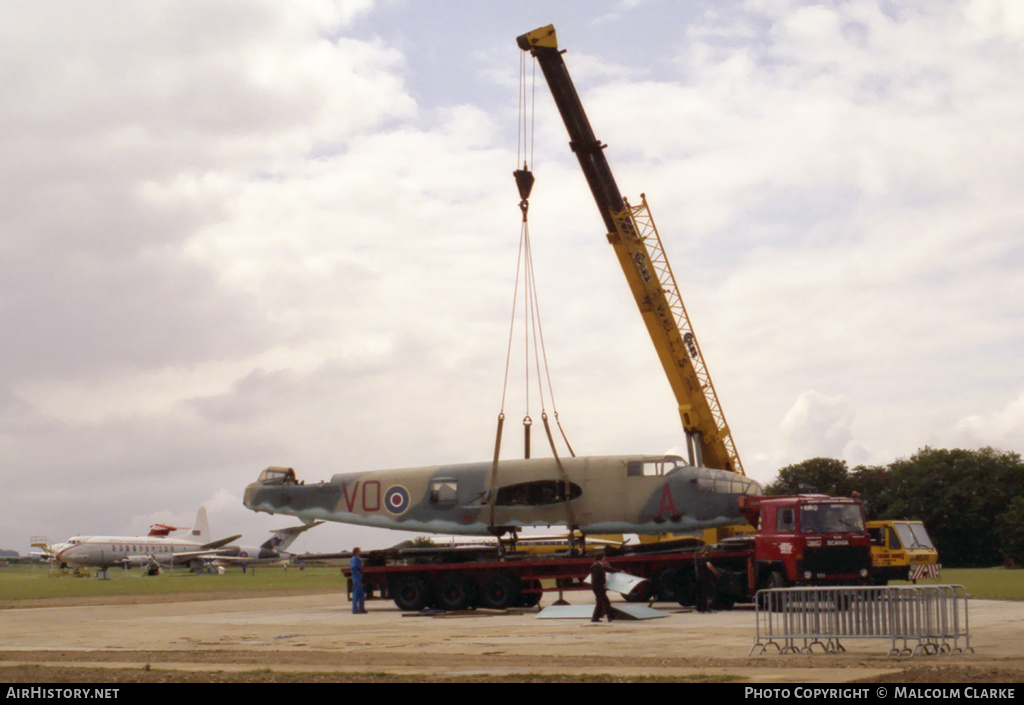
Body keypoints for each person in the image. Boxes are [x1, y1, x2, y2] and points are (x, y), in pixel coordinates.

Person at [590, 549, 616, 623]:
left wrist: (618, 570)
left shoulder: (599, 565)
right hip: (598, 587)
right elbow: (596, 578)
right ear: (602, 558)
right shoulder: (596, 566)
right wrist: (602, 586)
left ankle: (595, 618)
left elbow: (608, 569)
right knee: (605, 602)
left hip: (598, 587)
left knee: (600, 602)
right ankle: (610, 616)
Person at [350, 547, 366, 614]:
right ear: (356, 552)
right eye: (359, 551)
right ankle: (355, 609)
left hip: (359, 578)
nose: (360, 552)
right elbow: (353, 567)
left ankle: (361, 608)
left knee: (361, 594)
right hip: (356, 578)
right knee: (356, 593)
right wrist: (357, 572)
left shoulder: (357, 559)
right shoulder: (354, 559)